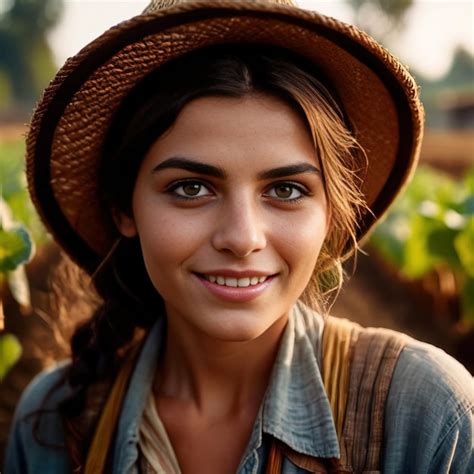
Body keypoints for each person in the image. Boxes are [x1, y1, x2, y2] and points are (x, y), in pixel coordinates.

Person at [4, 0, 473, 473]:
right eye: (191, 188)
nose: (242, 237)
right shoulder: (50, 425)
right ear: (125, 209)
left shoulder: (428, 417)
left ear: (330, 213)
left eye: (286, 189)